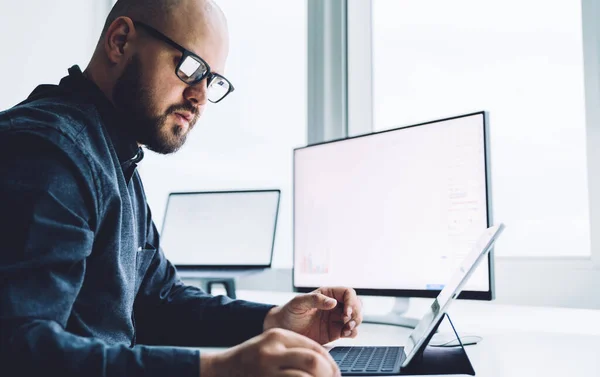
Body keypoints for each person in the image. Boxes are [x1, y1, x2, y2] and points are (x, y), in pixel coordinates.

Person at [0, 0, 363, 376]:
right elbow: (19, 349)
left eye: (212, 81)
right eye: (190, 67)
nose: (200, 97)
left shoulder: (112, 157)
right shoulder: (49, 153)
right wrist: (215, 369)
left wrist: (274, 319)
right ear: (120, 41)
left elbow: (158, 299)